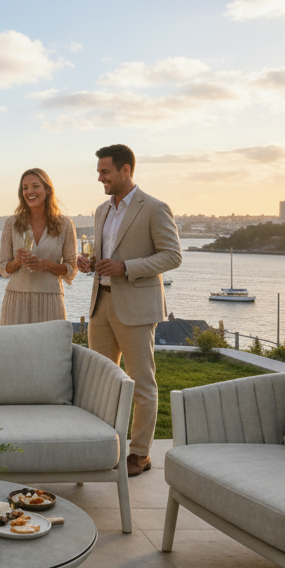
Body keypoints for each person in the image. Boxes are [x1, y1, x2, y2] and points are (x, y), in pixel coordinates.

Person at [76, 144, 181, 477]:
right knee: (103, 382)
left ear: (125, 170)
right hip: (100, 304)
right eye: (98, 171)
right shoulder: (100, 210)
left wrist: (127, 267)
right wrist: (88, 264)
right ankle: (107, 445)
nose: (99, 177)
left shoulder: (154, 208)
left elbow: (172, 256)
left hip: (135, 306)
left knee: (141, 383)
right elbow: (105, 256)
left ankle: (139, 452)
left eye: (105, 171)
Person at [0, 168, 78, 325]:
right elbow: (3, 269)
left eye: (35, 186)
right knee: (13, 349)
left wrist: (46, 265)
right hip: (16, 300)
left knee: (51, 348)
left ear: (47, 190)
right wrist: (16, 262)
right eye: (25, 187)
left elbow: (72, 269)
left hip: (51, 299)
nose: (29, 191)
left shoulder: (65, 224)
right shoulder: (12, 224)